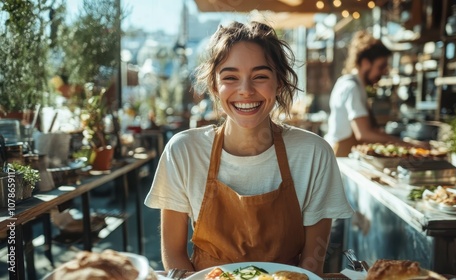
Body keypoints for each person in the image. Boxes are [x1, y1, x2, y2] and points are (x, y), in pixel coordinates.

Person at [144, 20, 353, 275]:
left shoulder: (314, 154)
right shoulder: (183, 152)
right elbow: (174, 254)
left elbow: (312, 261)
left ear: (279, 82)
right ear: (214, 85)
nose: (245, 91)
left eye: (260, 76)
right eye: (230, 77)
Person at [323, 31, 412, 157]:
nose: (384, 72)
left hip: (342, 152)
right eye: (381, 67)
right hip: (340, 154)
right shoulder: (352, 87)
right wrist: (407, 145)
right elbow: (364, 133)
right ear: (365, 63)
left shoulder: (352, 84)